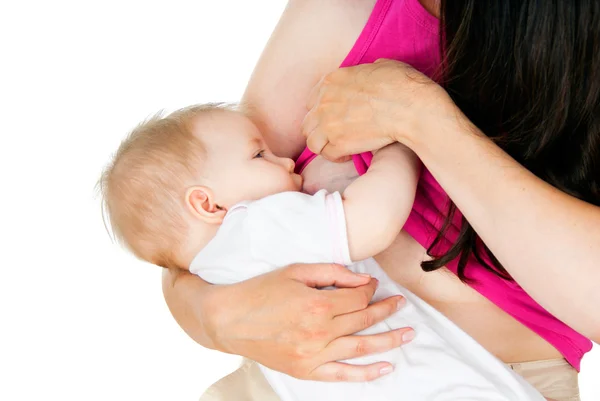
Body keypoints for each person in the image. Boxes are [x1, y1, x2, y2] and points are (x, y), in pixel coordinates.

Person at [162, 1, 599, 400]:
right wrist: (215, 317)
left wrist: (420, 117)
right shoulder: (344, 11)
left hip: (492, 380)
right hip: (300, 379)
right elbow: (194, 227)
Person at [99, 104, 544, 400]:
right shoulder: (257, 226)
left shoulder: (212, 269)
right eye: (259, 156)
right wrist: (400, 145)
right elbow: (374, 219)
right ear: (207, 204)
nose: (285, 161)